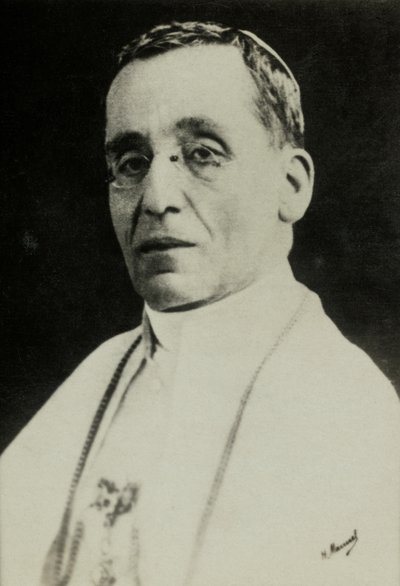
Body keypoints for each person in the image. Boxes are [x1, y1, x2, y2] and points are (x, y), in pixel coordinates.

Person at [1, 20, 399, 586]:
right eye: (132, 162)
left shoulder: (348, 412)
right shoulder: (96, 379)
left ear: (291, 186)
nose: (156, 199)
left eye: (203, 154)